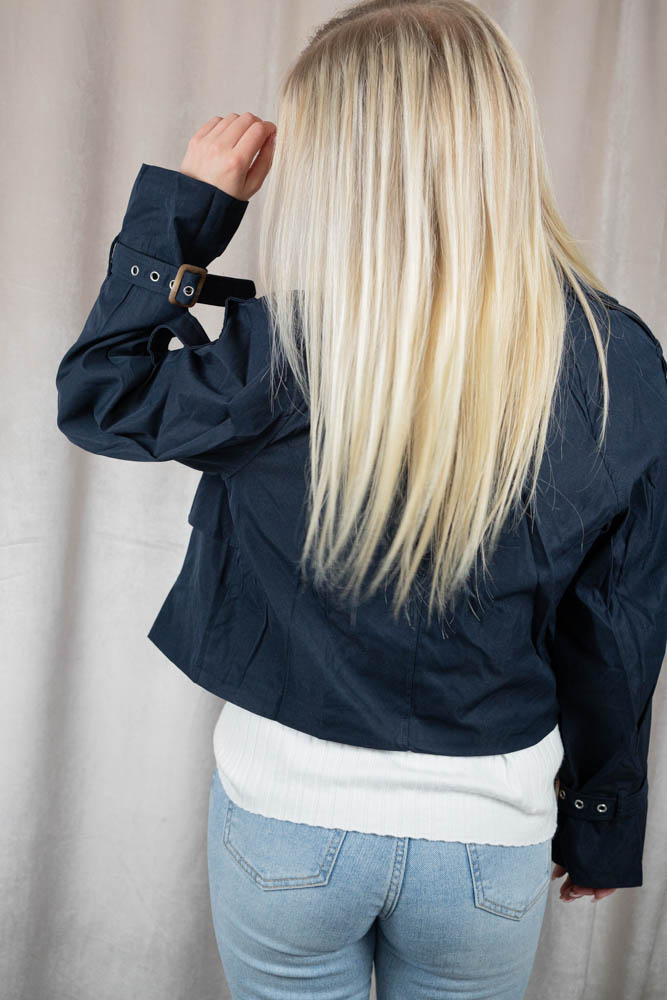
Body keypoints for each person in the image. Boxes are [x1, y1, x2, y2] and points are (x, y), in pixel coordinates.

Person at [55, 1, 667, 997]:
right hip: (486, 839)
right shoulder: (617, 361)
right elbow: (619, 625)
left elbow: (102, 393)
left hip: (288, 822)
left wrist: (190, 211)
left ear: (343, 162)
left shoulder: (282, 353)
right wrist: (601, 818)